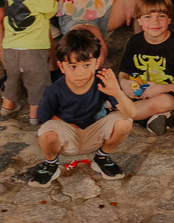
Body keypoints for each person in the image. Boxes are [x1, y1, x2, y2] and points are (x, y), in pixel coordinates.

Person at [28, 29, 137, 187]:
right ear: (61, 67)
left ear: (96, 63)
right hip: (68, 139)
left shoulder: (102, 81)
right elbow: (43, 116)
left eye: (86, 65)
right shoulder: (55, 90)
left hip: (94, 133)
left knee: (125, 121)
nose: (80, 73)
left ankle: (102, 157)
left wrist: (117, 93)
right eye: (72, 66)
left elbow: (132, 113)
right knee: (46, 132)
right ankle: (51, 164)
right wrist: (65, 124)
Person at [116, 0, 174, 136]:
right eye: (148, 17)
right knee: (106, 89)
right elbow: (123, 72)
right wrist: (124, 83)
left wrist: (161, 88)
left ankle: (120, 113)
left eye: (161, 16)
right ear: (139, 20)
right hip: (138, 94)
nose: (155, 22)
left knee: (165, 102)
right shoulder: (134, 42)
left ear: (169, 19)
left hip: (165, 94)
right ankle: (152, 117)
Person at [0, 0, 56, 125]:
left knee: (13, 78)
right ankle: (35, 115)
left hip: (10, 48)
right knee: (37, 83)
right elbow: (51, 11)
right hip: (33, 49)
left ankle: (7, 105)